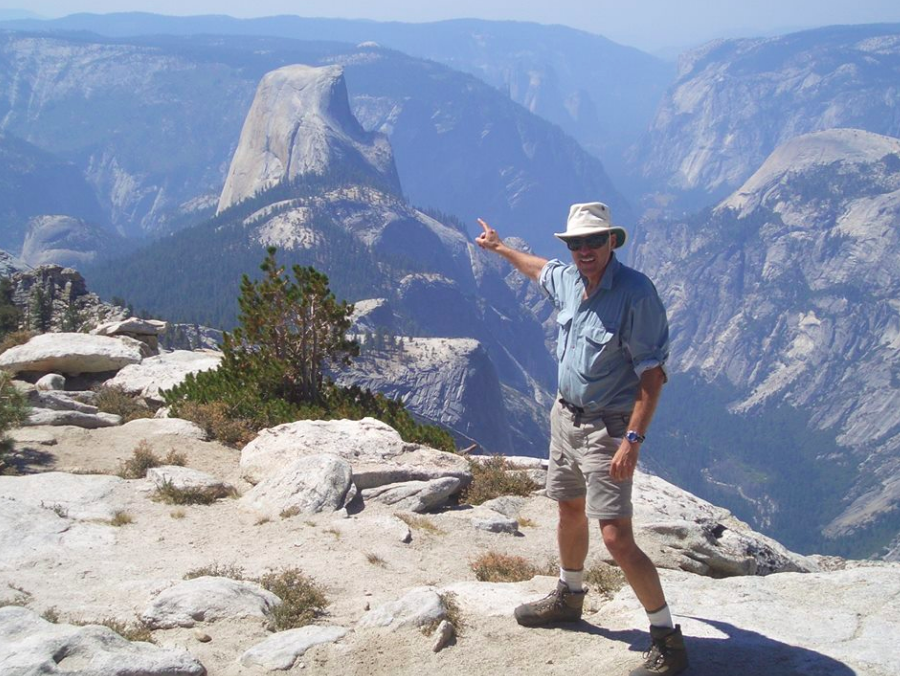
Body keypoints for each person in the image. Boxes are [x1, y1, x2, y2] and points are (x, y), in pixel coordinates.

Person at [475, 202, 688, 676]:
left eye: (593, 241)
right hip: (564, 417)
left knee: (615, 537)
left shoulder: (636, 295)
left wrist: (632, 440)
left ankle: (668, 641)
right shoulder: (569, 280)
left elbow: (652, 377)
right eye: (576, 243)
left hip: (607, 428)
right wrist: (500, 248)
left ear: (612, 241)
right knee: (568, 508)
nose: (584, 251)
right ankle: (570, 597)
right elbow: (539, 271)